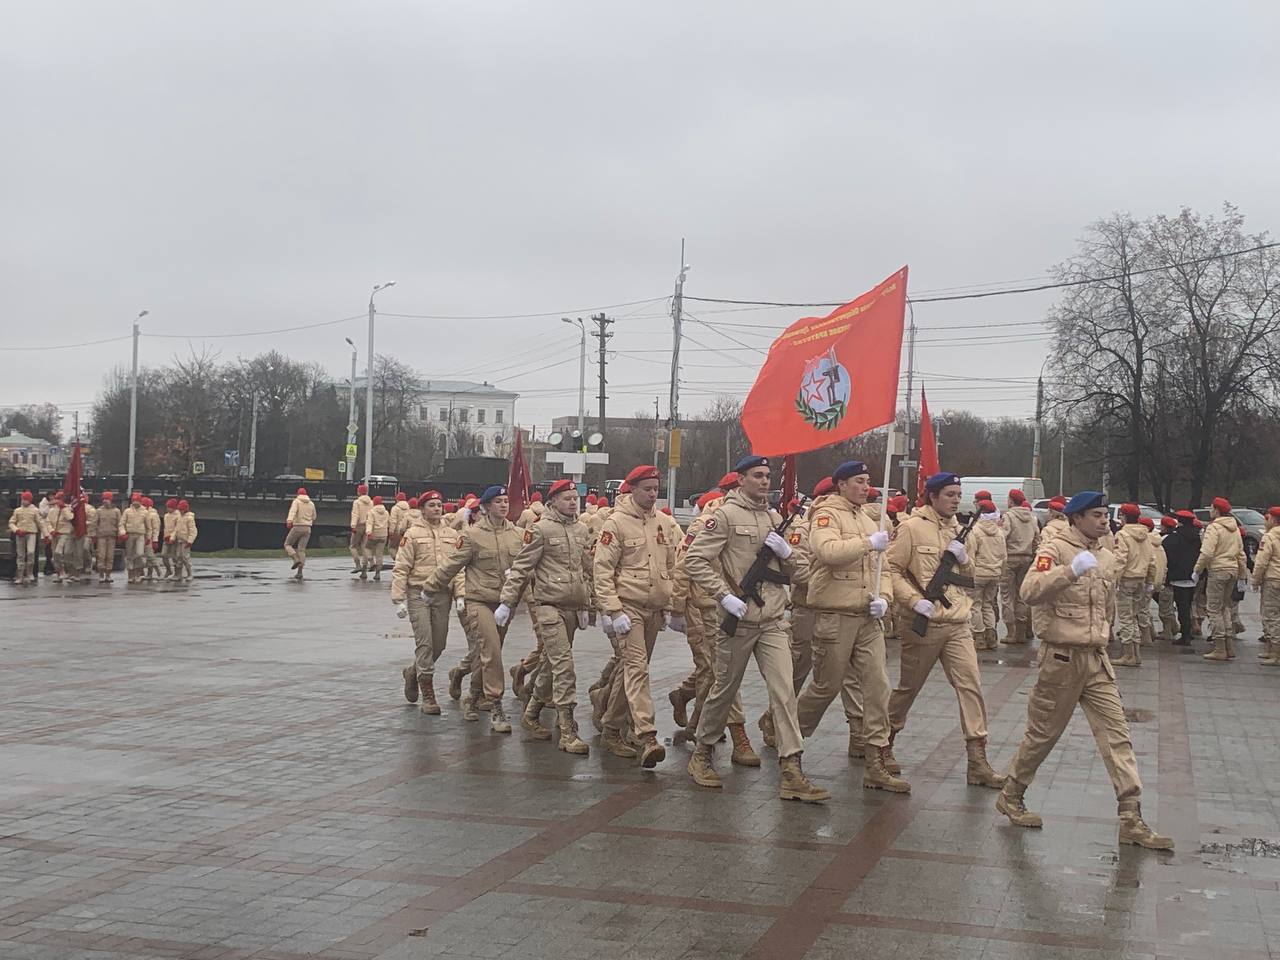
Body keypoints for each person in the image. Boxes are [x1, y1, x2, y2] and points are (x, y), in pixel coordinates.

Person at [997, 491, 1173, 850]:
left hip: (1095, 658)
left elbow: (1104, 608)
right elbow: (1030, 590)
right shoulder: (1055, 549)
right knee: (1043, 734)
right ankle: (1012, 793)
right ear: (1075, 518)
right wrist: (1068, 572)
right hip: (1061, 659)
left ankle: (1131, 817)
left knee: (1117, 735)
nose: (1103, 520)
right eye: (1095, 515)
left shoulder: (1106, 555)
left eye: (1105, 515)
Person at [684, 455, 829, 803]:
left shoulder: (775, 517)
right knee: (724, 690)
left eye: (768, 476)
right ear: (741, 479)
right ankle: (702, 752)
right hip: (739, 619)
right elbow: (694, 560)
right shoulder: (724, 516)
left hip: (774, 621)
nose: (765, 481)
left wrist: (788, 553)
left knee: (784, 692)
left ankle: (792, 769)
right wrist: (723, 595)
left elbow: (799, 573)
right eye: (758, 476)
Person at [886, 472, 1004, 789]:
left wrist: (965, 561)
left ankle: (978, 761)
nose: (955, 499)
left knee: (971, 686)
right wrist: (913, 601)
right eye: (949, 494)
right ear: (933, 496)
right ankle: (883, 743)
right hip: (922, 623)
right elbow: (891, 569)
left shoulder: (961, 529)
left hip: (957, 622)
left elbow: (973, 574)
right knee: (908, 688)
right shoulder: (910, 528)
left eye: (958, 494)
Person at [796, 461, 906, 793]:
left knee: (877, 686)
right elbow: (828, 552)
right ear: (841, 484)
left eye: (867, 481)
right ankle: (787, 735)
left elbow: (881, 568)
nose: (865, 487)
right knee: (825, 687)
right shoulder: (826, 514)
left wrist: (885, 598)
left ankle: (875, 759)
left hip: (867, 615)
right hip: (835, 613)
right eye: (858, 481)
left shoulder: (868, 517)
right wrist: (868, 543)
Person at [500, 479, 594, 754]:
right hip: (548, 606)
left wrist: (595, 605)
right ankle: (567, 730)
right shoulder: (540, 530)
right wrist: (507, 602)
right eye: (566, 498)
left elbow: (587, 570)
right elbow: (521, 568)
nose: (572, 502)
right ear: (552, 501)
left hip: (573, 608)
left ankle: (531, 712)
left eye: (575, 498)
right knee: (564, 665)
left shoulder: (581, 529)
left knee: (550, 665)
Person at [593, 465, 676, 768]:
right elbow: (602, 570)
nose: (653, 494)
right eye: (647, 488)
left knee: (631, 671)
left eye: (656, 488)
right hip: (628, 608)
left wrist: (669, 607)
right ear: (633, 489)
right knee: (638, 669)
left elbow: (671, 565)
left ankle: (612, 728)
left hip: (654, 607)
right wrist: (612, 610)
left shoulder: (665, 523)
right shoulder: (615, 524)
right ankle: (646, 734)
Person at [424, 485, 522, 733]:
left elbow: (525, 569)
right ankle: (496, 704)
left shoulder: (517, 534)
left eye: (505, 501)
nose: (503, 505)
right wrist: (430, 587)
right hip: (478, 600)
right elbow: (451, 565)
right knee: (491, 651)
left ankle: (472, 696)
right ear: (486, 507)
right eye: (497, 501)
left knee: (487, 653)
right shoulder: (472, 535)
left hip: (504, 603)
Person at [669, 488, 757, 763]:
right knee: (721, 669)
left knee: (713, 668)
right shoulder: (709, 522)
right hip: (706, 606)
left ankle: (688, 703)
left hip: (737, 606)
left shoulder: (751, 517)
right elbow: (685, 566)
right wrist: (677, 608)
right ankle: (730, 731)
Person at [759, 476, 833, 750]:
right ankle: (773, 718)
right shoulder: (803, 529)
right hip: (809, 607)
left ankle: (861, 732)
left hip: (839, 609)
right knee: (797, 669)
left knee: (846, 674)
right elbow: (799, 572)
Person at [391, 490, 462, 715]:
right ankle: (428, 695)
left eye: (439, 505)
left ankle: (413, 672)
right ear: (422, 509)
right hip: (418, 593)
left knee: (439, 644)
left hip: (442, 593)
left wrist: (460, 594)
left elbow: (457, 567)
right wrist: (398, 599)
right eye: (431, 505)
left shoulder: (452, 534)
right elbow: (401, 567)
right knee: (425, 643)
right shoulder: (412, 534)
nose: (437, 508)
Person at [1195, 497, 1247, 662]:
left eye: (1211, 508)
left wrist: (1197, 569)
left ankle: (1219, 648)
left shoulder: (1214, 528)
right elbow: (1241, 554)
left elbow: (1207, 552)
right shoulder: (1235, 529)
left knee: (1213, 609)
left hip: (1217, 570)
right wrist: (1242, 575)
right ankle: (1229, 645)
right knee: (1225, 607)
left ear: (1216, 510)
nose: (1210, 510)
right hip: (1232, 570)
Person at [1112, 504, 1156, 667]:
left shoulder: (1122, 535)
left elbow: (1120, 559)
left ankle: (1128, 654)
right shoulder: (1145, 535)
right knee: (1134, 617)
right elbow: (1152, 561)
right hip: (1141, 579)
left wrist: (1114, 579)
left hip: (1126, 579)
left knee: (1125, 618)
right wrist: (1150, 581)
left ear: (1123, 517)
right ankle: (1135, 654)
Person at [1000, 489, 1039, 643]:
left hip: (1010, 558)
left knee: (1007, 596)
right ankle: (1021, 632)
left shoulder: (1008, 516)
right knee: (1022, 595)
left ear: (1011, 501)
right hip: (1026, 558)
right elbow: (1037, 539)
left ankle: (1010, 632)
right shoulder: (1032, 518)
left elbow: (1003, 536)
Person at [968, 499, 1005, 650]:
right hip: (994, 574)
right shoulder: (1000, 532)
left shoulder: (975, 531)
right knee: (988, 604)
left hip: (978, 573)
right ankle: (991, 636)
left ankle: (979, 637)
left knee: (975, 605)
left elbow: (970, 554)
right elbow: (1004, 556)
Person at [1163, 511, 1201, 645]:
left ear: (1180, 522)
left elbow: (1167, 554)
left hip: (1178, 576)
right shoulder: (1198, 537)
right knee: (1188, 605)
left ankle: (1185, 636)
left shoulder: (1175, 537)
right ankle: (1188, 632)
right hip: (1193, 576)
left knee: (1181, 606)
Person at [1251, 507, 1280, 666]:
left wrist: (1255, 580)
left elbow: (1261, 562)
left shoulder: (1269, 537)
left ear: (1273, 520)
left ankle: (1276, 653)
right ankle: (1271, 649)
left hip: (1273, 579)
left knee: (1271, 616)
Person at [8, 491, 46, 584]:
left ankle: (30, 572)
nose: (23, 501)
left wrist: (46, 534)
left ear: (29, 500)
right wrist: (16, 530)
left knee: (31, 552)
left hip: (31, 533)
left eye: (25, 500)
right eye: (22, 499)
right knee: (20, 555)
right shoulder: (17, 510)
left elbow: (40, 523)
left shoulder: (35, 510)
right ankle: (20, 575)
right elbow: (11, 522)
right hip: (20, 534)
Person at [1153, 516, 1179, 641]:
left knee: (1165, 605)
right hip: (1176, 576)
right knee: (1168, 604)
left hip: (1166, 577)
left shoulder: (1163, 541)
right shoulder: (1177, 539)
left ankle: (1167, 630)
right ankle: (1173, 626)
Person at [284, 487, 315, 581]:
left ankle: (295, 559)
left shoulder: (296, 501)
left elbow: (292, 511)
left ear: (298, 494)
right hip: (308, 528)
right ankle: (300, 572)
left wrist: (289, 521)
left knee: (287, 544)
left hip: (297, 526)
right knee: (302, 550)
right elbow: (314, 516)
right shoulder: (311, 503)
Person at [93, 492, 122, 584]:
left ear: (111, 500)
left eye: (107, 499)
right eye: (104, 499)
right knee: (101, 555)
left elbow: (119, 524)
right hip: (101, 536)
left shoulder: (116, 511)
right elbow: (94, 524)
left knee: (110, 556)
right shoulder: (99, 511)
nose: (105, 501)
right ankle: (101, 574)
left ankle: (108, 574)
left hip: (112, 536)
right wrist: (93, 535)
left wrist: (120, 534)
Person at [120, 493, 149, 584]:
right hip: (129, 535)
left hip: (140, 535)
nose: (135, 502)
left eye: (137, 500)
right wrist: (123, 533)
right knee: (129, 555)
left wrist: (149, 538)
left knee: (139, 554)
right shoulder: (127, 511)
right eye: (134, 500)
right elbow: (121, 523)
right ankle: (130, 575)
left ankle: (137, 574)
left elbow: (148, 527)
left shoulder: (145, 512)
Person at [47, 492, 76, 583]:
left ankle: (68, 571)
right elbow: (48, 522)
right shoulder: (52, 510)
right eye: (56, 499)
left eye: (59, 499)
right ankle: (59, 573)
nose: (57, 501)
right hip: (55, 534)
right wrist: (51, 530)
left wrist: (63, 508)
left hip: (64, 533)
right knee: (55, 555)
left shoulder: (68, 508)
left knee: (59, 552)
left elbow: (70, 518)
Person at [349, 483, 373, 578]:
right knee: (364, 547)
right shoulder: (371, 502)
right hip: (368, 525)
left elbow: (355, 514)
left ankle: (357, 564)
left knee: (353, 546)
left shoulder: (357, 502)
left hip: (359, 525)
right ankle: (364, 571)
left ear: (359, 492)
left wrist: (353, 526)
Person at [365, 495, 390, 581]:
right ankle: (377, 574)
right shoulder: (386, 512)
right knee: (379, 554)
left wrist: (368, 532)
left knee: (367, 548)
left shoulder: (371, 512)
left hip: (374, 534)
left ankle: (371, 562)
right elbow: (389, 523)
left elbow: (369, 523)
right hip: (383, 535)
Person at [171, 500, 197, 581]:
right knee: (178, 557)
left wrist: (190, 541)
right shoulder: (179, 517)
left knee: (185, 557)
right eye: (179, 509)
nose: (180, 511)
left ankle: (190, 574)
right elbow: (176, 529)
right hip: (179, 540)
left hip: (186, 541)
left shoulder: (189, 518)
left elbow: (193, 531)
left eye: (182, 509)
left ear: (185, 509)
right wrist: (172, 537)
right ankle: (178, 575)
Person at [142, 497, 164, 581]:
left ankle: (159, 572)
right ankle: (149, 573)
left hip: (150, 538)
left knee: (150, 556)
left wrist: (155, 540)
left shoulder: (153, 515)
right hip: (144, 537)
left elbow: (156, 528)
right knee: (148, 557)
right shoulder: (145, 513)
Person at [162, 499, 182, 580]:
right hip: (166, 538)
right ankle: (168, 570)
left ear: (174, 508)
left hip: (174, 539)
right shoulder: (166, 516)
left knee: (175, 557)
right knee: (164, 555)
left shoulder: (178, 516)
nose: (168, 509)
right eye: (167, 507)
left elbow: (177, 528)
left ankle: (177, 573)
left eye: (169, 507)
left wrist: (172, 537)